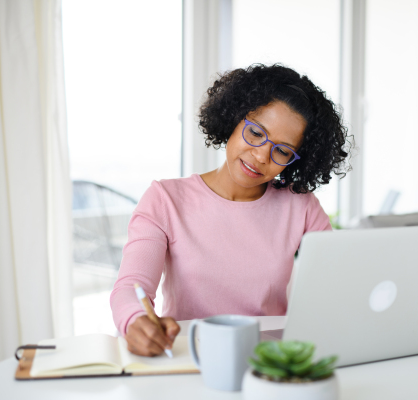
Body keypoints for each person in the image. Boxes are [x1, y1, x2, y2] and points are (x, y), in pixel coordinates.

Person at [110, 64, 351, 357]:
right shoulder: (165, 200)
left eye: (283, 151)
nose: (261, 155)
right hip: (190, 356)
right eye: (255, 132)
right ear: (234, 120)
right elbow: (130, 288)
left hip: (271, 362)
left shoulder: (300, 206)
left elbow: (338, 283)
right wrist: (135, 321)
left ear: (295, 160)